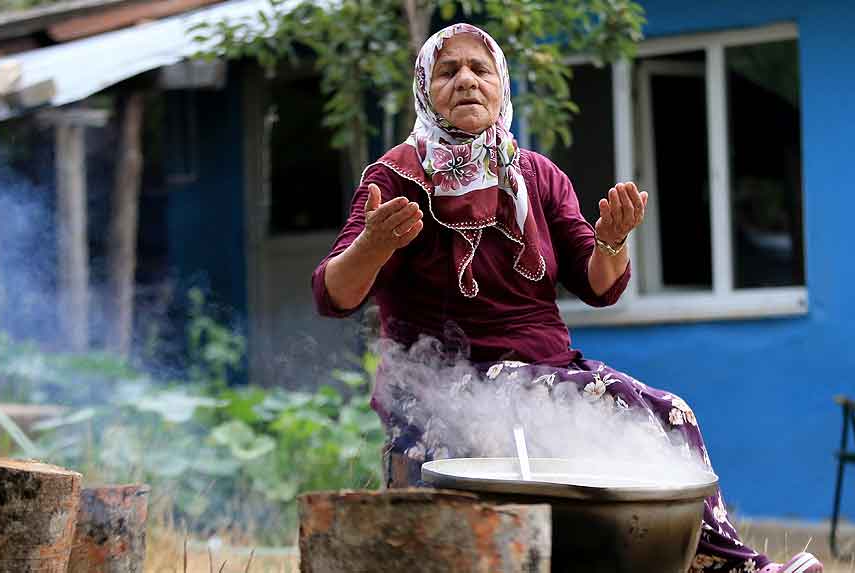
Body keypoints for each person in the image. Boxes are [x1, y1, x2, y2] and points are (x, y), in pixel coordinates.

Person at [313, 23, 824, 573]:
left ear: (502, 87)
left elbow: (600, 283)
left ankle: (716, 563)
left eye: (480, 70)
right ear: (424, 89)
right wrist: (373, 243)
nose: (466, 81)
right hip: (447, 390)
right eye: (448, 71)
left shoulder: (536, 176)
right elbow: (332, 294)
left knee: (672, 413)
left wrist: (612, 240)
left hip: (544, 373)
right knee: (605, 402)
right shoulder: (395, 178)